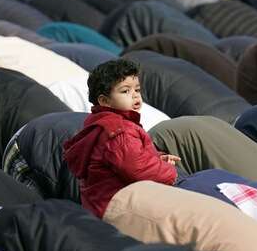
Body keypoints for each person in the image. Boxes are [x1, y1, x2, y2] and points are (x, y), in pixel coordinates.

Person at [63, 59, 179, 218]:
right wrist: (171, 172)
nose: (135, 96)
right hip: (116, 211)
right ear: (104, 101)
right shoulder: (119, 131)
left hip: (100, 205)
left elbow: (131, 158)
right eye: (125, 91)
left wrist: (158, 158)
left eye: (137, 90)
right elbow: (137, 170)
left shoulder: (106, 122)